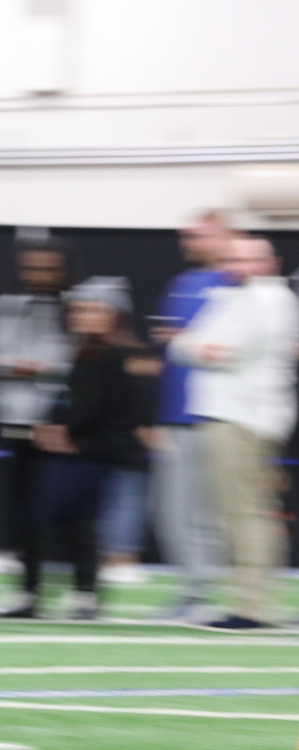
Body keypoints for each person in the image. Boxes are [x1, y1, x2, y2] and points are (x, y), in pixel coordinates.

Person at [7, 277, 157, 619]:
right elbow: (70, 401)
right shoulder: (82, 351)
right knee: (59, 522)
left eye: (92, 310)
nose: (82, 316)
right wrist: (52, 427)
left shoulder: (123, 354)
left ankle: (69, 594)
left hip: (94, 452)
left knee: (71, 523)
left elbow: (115, 410)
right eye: (78, 310)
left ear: (113, 315)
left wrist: (71, 435)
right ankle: (48, 593)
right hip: (72, 449)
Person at [170, 237, 299, 629]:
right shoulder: (242, 297)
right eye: (231, 258)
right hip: (238, 414)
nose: (236, 265)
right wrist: (194, 345)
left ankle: (250, 607)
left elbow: (218, 350)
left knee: (242, 513)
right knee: (246, 511)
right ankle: (253, 602)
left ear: (270, 262)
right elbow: (192, 346)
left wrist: (193, 345)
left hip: (240, 416)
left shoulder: (263, 299)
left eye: (246, 259)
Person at [149, 211, 233, 617]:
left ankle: (206, 594)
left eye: (200, 235)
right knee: (171, 511)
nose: (190, 243)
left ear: (224, 236)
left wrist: (185, 341)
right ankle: (192, 590)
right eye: (187, 236)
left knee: (207, 513)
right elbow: (167, 346)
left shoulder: (235, 285)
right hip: (175, 416)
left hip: (213, 415)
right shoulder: (181, 283)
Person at [0, 238, 74, 580]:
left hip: (52, 421)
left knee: (51, 505)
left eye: (46, 269)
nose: (37, 276)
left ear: (61, 271)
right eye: (30, 268)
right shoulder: (5, 306)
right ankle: (23, 576)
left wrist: (38, 369)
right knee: (11, 500)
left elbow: (74, 364)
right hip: (8, 418)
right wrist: (17, 367)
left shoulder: (73, 308)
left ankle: (66, 581)